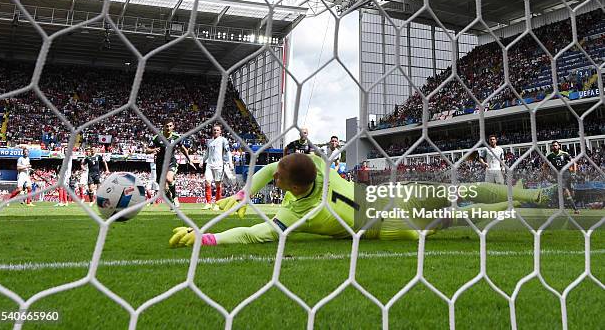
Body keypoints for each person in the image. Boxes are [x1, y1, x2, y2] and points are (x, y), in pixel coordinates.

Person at [169, 153, 546, 247]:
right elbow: (271, 169)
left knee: (458, 217)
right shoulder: (318, 164)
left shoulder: (297, 214)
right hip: (391, 195)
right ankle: (530, 195)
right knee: (462, 192)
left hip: (386, 227)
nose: (274, 176)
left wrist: (207, 237)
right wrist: (242, 194)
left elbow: (254, 234)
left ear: (293, 188)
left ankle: (515, 205)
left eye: (279, 179)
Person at [145, 118, 196, 209]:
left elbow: (183, 149)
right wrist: (153, 150)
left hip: (171, 162)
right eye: (166, 126)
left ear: (173, 126)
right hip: (160, 164)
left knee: (169, 179)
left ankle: (175, 197)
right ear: (163, 127)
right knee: (164, 188)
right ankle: (171, 202)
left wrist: (189, 160)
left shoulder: (176, 137)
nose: (168, 128)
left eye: (170, 126)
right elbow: (147, 150)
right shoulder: (157, 137)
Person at [199, 124, 233, 210]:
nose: (215, 131)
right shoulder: (209, 141)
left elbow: (228, 152)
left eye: (217, 130)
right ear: (212, 131)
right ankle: (208, 203)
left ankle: (217, 204)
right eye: (214, 130)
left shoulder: (223, 140)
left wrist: (230, 162)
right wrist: (202, 161)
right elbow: (207, 153)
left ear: (220, 131)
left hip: (219, 165)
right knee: (207, 182)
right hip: (209, 164)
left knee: (218, 184)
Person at [543, 140, 578, 213]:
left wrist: (574, 173)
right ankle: (574, 208)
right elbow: (545, 166)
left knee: (568, 192)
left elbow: (574, 163)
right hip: (557, 175)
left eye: (555, 145)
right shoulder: (550, 156)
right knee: (565, 191)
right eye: (553, 146)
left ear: (559, 146)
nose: (554, 147)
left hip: (566, 173)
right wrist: (546, 174)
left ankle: (570, 204)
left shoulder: (564, 154)